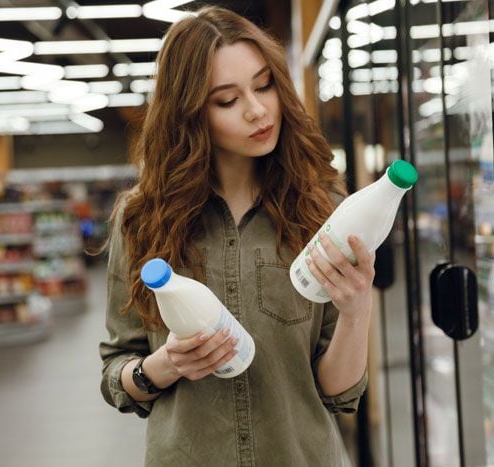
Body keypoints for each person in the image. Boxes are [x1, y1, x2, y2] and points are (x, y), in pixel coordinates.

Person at [100, 6, 375, 466]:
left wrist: (356, 310)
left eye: (264, 85)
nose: (257, 110)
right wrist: (163, 367)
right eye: (226, 100)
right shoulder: (142, 218)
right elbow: (116, 371)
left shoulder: (318, 207)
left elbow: (339, 393)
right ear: (189, 114)